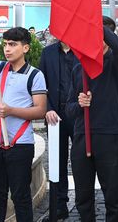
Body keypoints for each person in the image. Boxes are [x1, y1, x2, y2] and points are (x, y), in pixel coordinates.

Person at [0, 27, 48, 222]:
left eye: (13, 45)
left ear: (26, 48)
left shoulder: (35, 75)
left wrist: (11, 111)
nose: (8, 49)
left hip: (20, 144)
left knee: (20, 196)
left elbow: (40, 110)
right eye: (5, 45)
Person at [66, 17, 118, 222]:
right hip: (82, 135)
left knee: (112, 193)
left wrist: (92, 20)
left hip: (108, 134)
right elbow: (69, 108)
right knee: (83, 195)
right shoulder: (77, 69)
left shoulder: (115, 63)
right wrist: (79, 104)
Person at [39, 40, 81, 220]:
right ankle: (59, 205)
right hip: (54, 115)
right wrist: (47, 108)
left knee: (81, 161)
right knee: (57, 161)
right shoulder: (47, 53)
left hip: (79, 114)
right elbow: (41, 85)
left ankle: (84, 204)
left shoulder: (82, 51)